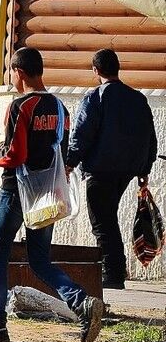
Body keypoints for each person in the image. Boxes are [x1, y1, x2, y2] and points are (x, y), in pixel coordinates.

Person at [0, 47, 104, 342]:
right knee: (40, 260)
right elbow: (59, 151)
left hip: (16, 190)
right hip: (48, 193)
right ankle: (81, 301)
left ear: (19, 72)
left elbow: (17, 154)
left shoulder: (21, 106)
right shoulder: (60, 108)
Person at [66, 49, 157, 290]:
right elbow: (150, 136)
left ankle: (114, 273)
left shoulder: (96, 98)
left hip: (100, 169)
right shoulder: (138, 98)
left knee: (102, 222)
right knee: (108, 217)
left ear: (96, 70)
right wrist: (144, 169)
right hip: (127, 170)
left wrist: (70, 162)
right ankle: (114, 269)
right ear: (117, 68)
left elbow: (82, 134)